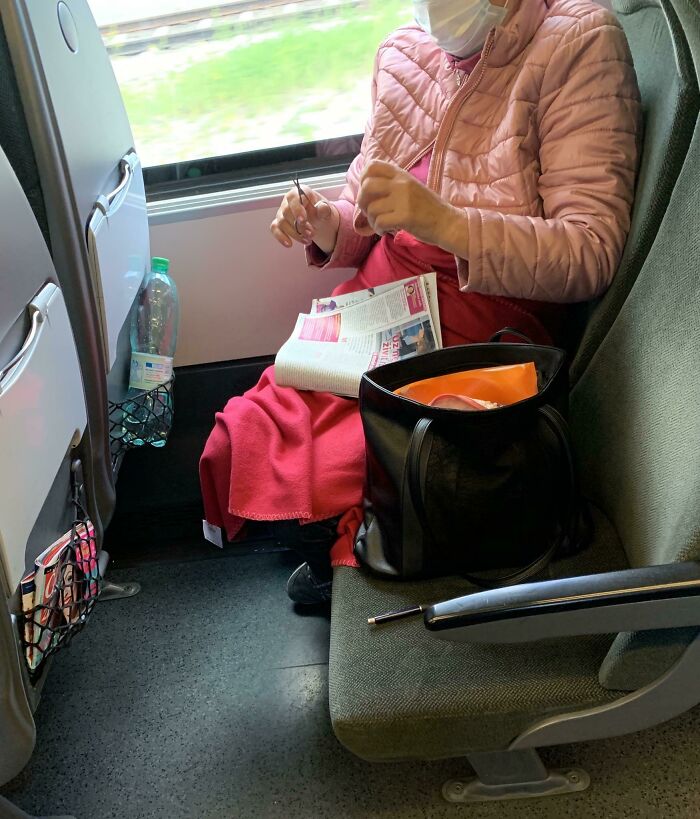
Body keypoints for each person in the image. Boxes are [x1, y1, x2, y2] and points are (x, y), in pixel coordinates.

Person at [200, 0, 641, 605]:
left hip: (486, 315)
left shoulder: (579, 43)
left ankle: (363, 533)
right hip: (385, 301)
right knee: (249, 433)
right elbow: (366, 216)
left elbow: (589, 252)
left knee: (358, 452)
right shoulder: (403, 53)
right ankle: (344, 525)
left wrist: (449, 224)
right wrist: (326, 223)